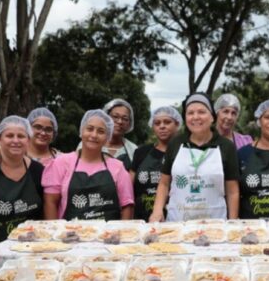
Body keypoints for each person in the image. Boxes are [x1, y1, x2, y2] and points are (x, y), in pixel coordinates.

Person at [149, 93, 240, 222]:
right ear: (185, 118)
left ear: (212, 117)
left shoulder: (227, 147)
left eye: (201, 112)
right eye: (190, 113)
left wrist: (233, 221)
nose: (195, 117)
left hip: (215, 224)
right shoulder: (175, 144)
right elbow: (164, 183)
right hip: (178, 223)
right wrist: (157, 211)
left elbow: (232, 191)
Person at [43, 110, 134, 220]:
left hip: (108, 234)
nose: (94, 135)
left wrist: (123, 234)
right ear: (81, 132)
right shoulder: (61, 163)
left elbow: (127, 205)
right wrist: (54, 232)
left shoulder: (118, 167)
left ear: (107, 138)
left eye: (101, 131)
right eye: (90, 129)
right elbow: (50, 202)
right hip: (69, 234)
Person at [130, 106, 182, 221]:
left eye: (167, 122)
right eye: (157, 123)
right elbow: (129, 186)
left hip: (176, 219)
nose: (162, 126)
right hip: (141, 220)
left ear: (177, 124)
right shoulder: (141, 152)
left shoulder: (185, 152)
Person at [103, 98, 139, 167]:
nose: (120, 121)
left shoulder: (134, 150)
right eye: (115, 117)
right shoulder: (91, 143)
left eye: (125, 119)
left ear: (129, 123)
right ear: (106, 118)